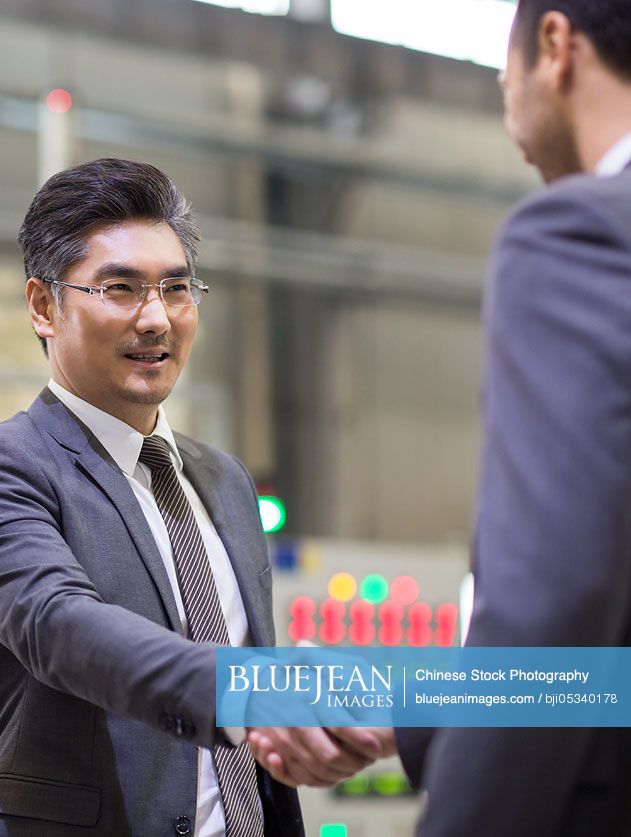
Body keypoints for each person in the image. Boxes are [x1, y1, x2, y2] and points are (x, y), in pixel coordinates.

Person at [251, 2, 631, 834]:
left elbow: (554, 606)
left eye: (505, 82)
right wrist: (410, 705)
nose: (509, 114)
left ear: (555, 49)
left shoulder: (580, 233)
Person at [0, 159, 379, 836]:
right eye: (120, 288)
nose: (155, 318)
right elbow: (62, 626)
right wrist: (251, 690)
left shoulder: (223, 479)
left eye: (175, 288)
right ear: (43, 305)